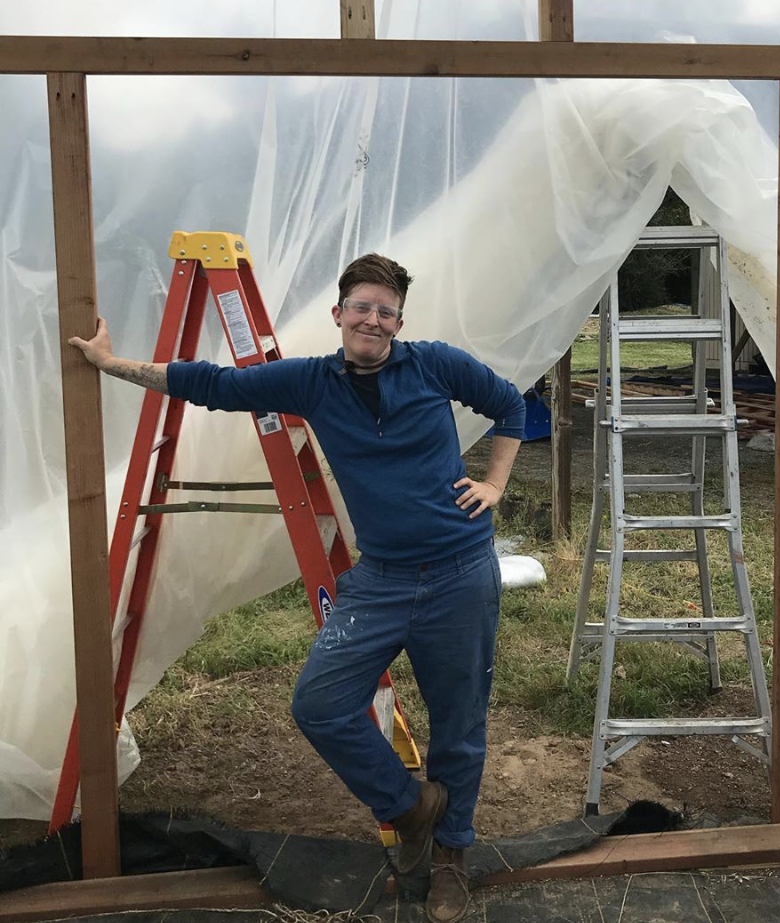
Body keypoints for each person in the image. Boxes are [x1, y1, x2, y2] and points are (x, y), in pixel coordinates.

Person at [69, 253, 525, 923]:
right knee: (320, 704)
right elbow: (215, 383)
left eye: (386, 310)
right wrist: (114, 365)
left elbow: (509, 404)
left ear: (399, 322)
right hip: (381, 578)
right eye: (361, 306)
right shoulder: (311, 382)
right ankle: (411, 809)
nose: (373, 319)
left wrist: (494, 483)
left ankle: (452, 856)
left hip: (460, 571)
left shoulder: (434, 364)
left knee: (458, 722)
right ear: (339, 314)